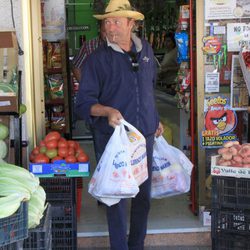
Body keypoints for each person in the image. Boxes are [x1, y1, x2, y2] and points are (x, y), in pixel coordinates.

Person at [75, 0, 164, 249]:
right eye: (106, 22)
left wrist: (154, 119)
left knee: (143, 198)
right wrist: (108, 111)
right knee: (116, 199)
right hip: (112, 138)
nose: (110, 27)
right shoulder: (96, 60)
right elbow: (84, 103)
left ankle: (136, 245)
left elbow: (148, 90)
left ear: (131, 24)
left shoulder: (146, 51)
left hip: (143, 137)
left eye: (116, 21)